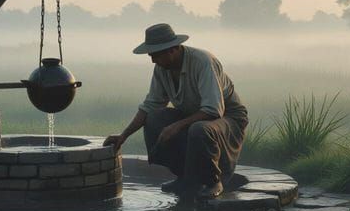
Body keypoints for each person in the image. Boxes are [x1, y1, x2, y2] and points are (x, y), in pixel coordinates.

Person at [104, 23, 248, 199]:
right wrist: (123, 136)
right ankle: (186, 177)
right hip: (194, 114)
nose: (153, 60)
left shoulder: (203, 62)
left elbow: (213, 110)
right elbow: (150, 106)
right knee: (154, 119)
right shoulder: (162, 69)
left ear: (172, 50)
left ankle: (213, 181)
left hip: (227, 117)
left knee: (199, 129)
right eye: (151, 56)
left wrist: (177, 126)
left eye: (155, 55)